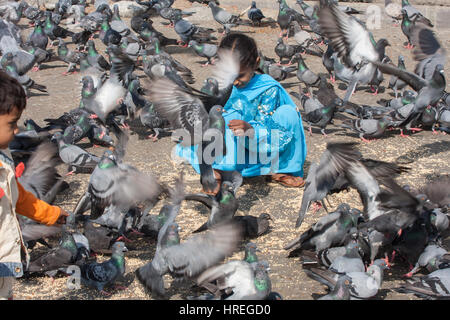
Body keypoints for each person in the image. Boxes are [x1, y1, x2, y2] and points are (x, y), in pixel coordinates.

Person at [176, 33, 307, 194]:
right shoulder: (216, 86)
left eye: (240, 76)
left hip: (260, 142)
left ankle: (282, 167)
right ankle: (217, 170)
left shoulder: (267, 87)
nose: (235, 81)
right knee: (220, 119)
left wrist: (250, 129)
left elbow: (269, 123)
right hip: (227, 148)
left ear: (256, 63)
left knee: (289, 113)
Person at [0, 71, 69, 300]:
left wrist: (51, 214)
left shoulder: (4, 157)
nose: (17, 130)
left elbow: (18, 197)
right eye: (12, 124)